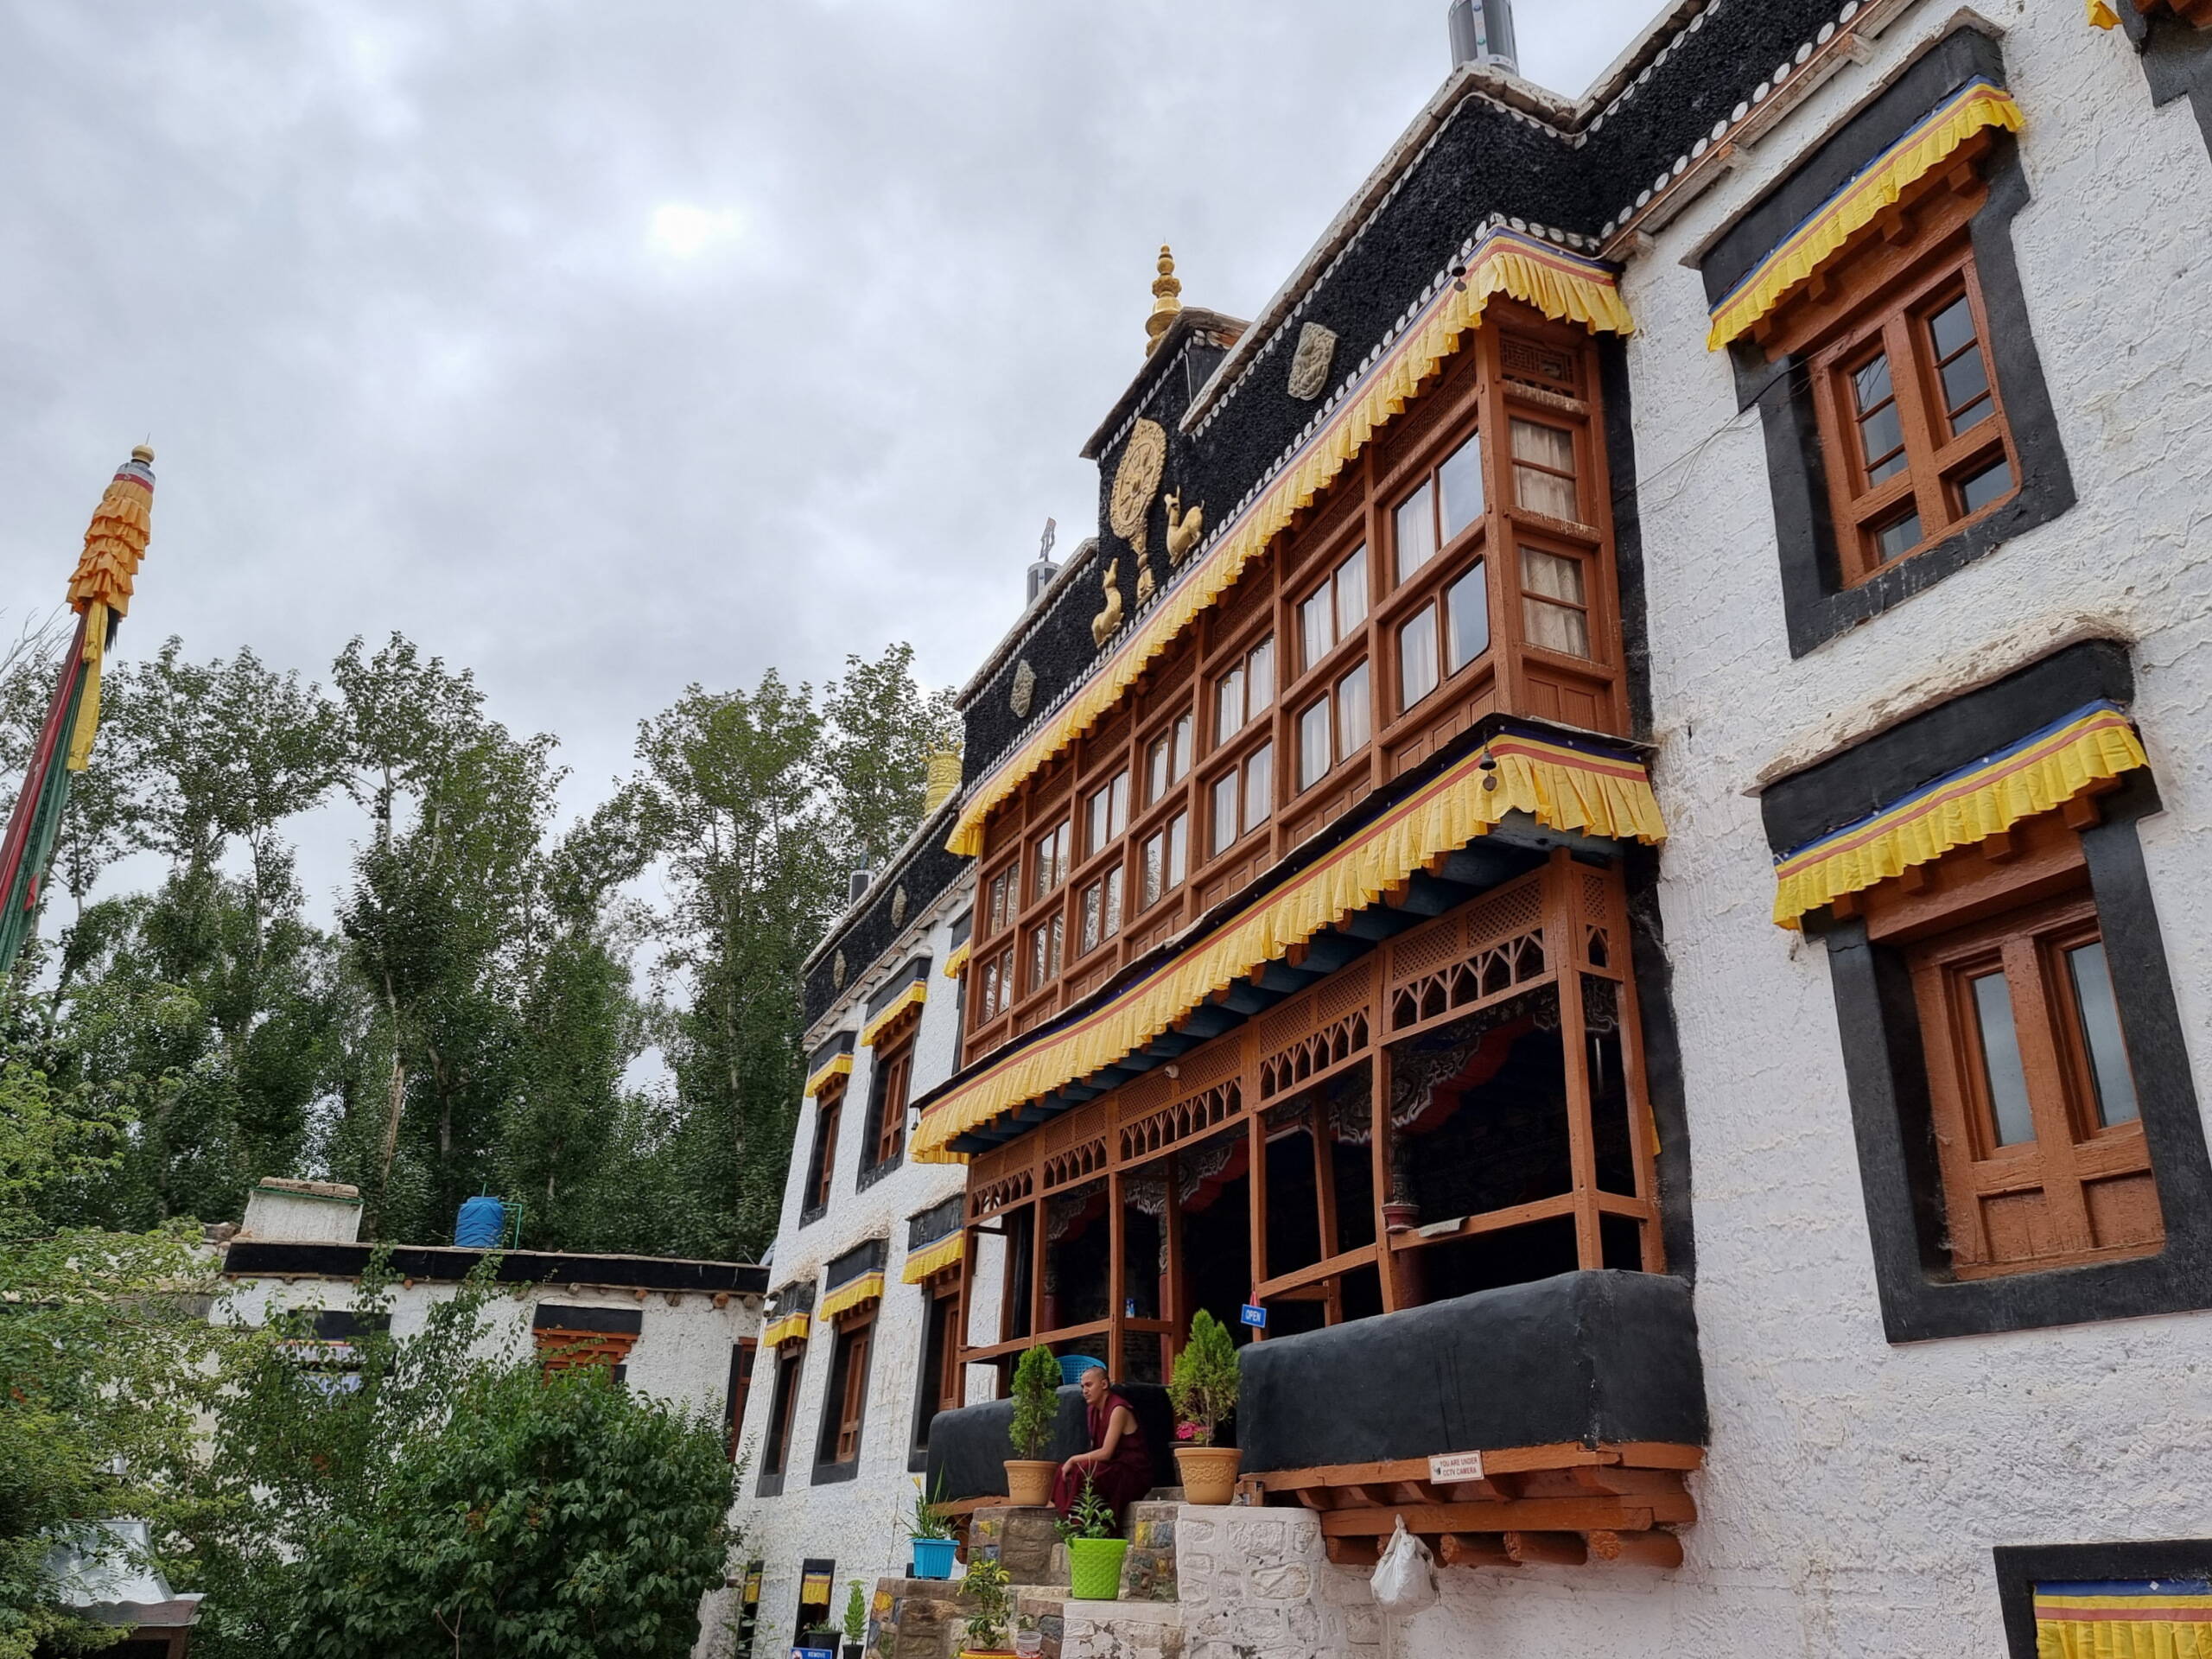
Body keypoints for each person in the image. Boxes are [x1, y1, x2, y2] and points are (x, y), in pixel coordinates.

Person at [1052, 1363, 1153, 1529]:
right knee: (1066, 1471)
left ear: (1104, 1384)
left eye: (1089, 1385)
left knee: (1086, 1471)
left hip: (1131, 1473)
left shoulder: (1118, 1409)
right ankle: (1070, 1519)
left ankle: (1085, 1525)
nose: (1084, 1391)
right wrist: (1074, 1463)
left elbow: (1106, 1453)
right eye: (1083, 1386)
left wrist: (1074, 1459)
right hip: (1111, 1466)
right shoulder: (1092, 1410)